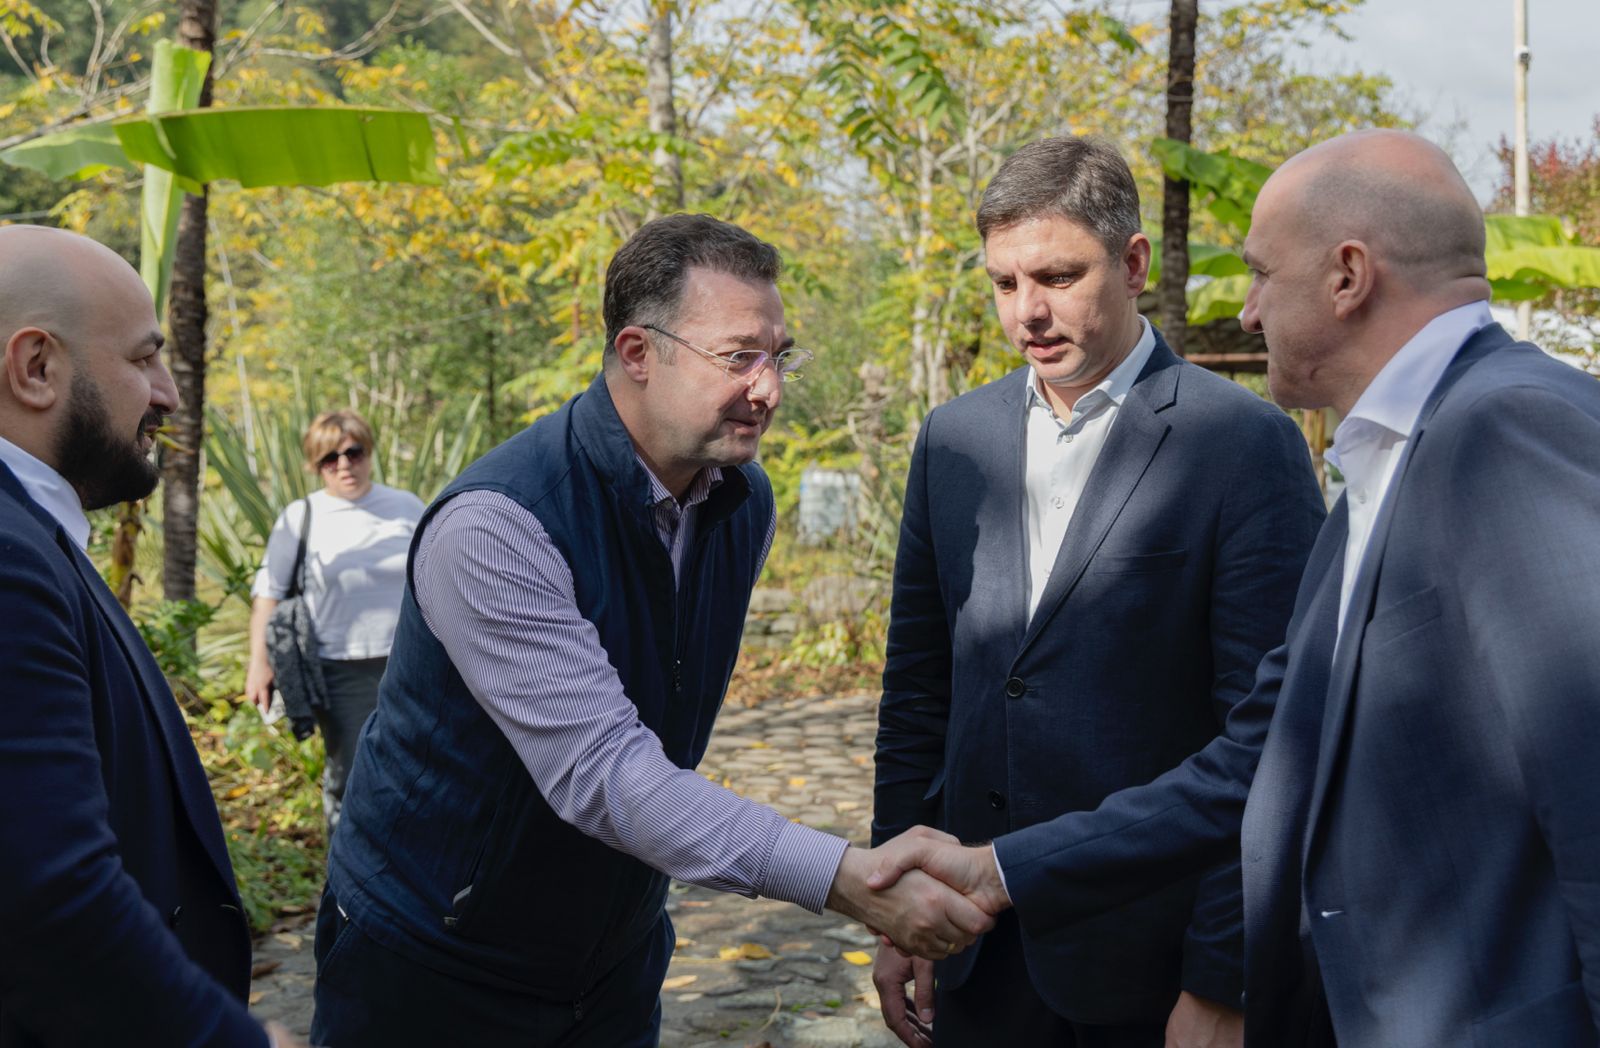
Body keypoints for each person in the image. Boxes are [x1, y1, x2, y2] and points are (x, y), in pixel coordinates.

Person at [868, 129, 1600, 1046]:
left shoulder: (1507, 426)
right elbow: (1263, 756)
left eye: (1262, 274)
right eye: (1005, 283)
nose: (1247, 313)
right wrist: (980, 877)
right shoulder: (1382, 467)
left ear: (1347, 276)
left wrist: (1224, 973)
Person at [312, 214, 996, 1047]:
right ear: (637, 353)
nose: (770, 390)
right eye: (738, 357)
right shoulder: (495, 525)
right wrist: (846, 877)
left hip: (613, 959)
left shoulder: (742, 503)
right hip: (434, 961)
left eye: (780, 357)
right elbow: (605, 770)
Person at [870, 136, 1324, 1048]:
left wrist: (1223, 976)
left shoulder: (1243, 444)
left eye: (1058, 276)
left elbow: (1273, 742)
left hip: (1151, 966)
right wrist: (896, 910)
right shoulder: (953, 440)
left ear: (1134, 264)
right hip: (975, 953)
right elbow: (918, 693)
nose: (1027, 312)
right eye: (1004, 283)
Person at [0, 225, 299, 1046]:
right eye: (143, 359)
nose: (168, 393)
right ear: (35, 368)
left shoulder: (32, 534)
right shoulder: (9, 558)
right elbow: (45, 900)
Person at [245, 408, 424, 831]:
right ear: (316, 464)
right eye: (330, 458)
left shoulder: (406, 507)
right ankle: (346, 865)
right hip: (340, 668)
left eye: (353, 452)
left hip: (409, 663)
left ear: (369, 452)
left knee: (415, 768)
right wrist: (258, 664)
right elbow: (269, 592)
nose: (344, 465)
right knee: (352, 774)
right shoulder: (301, 516)